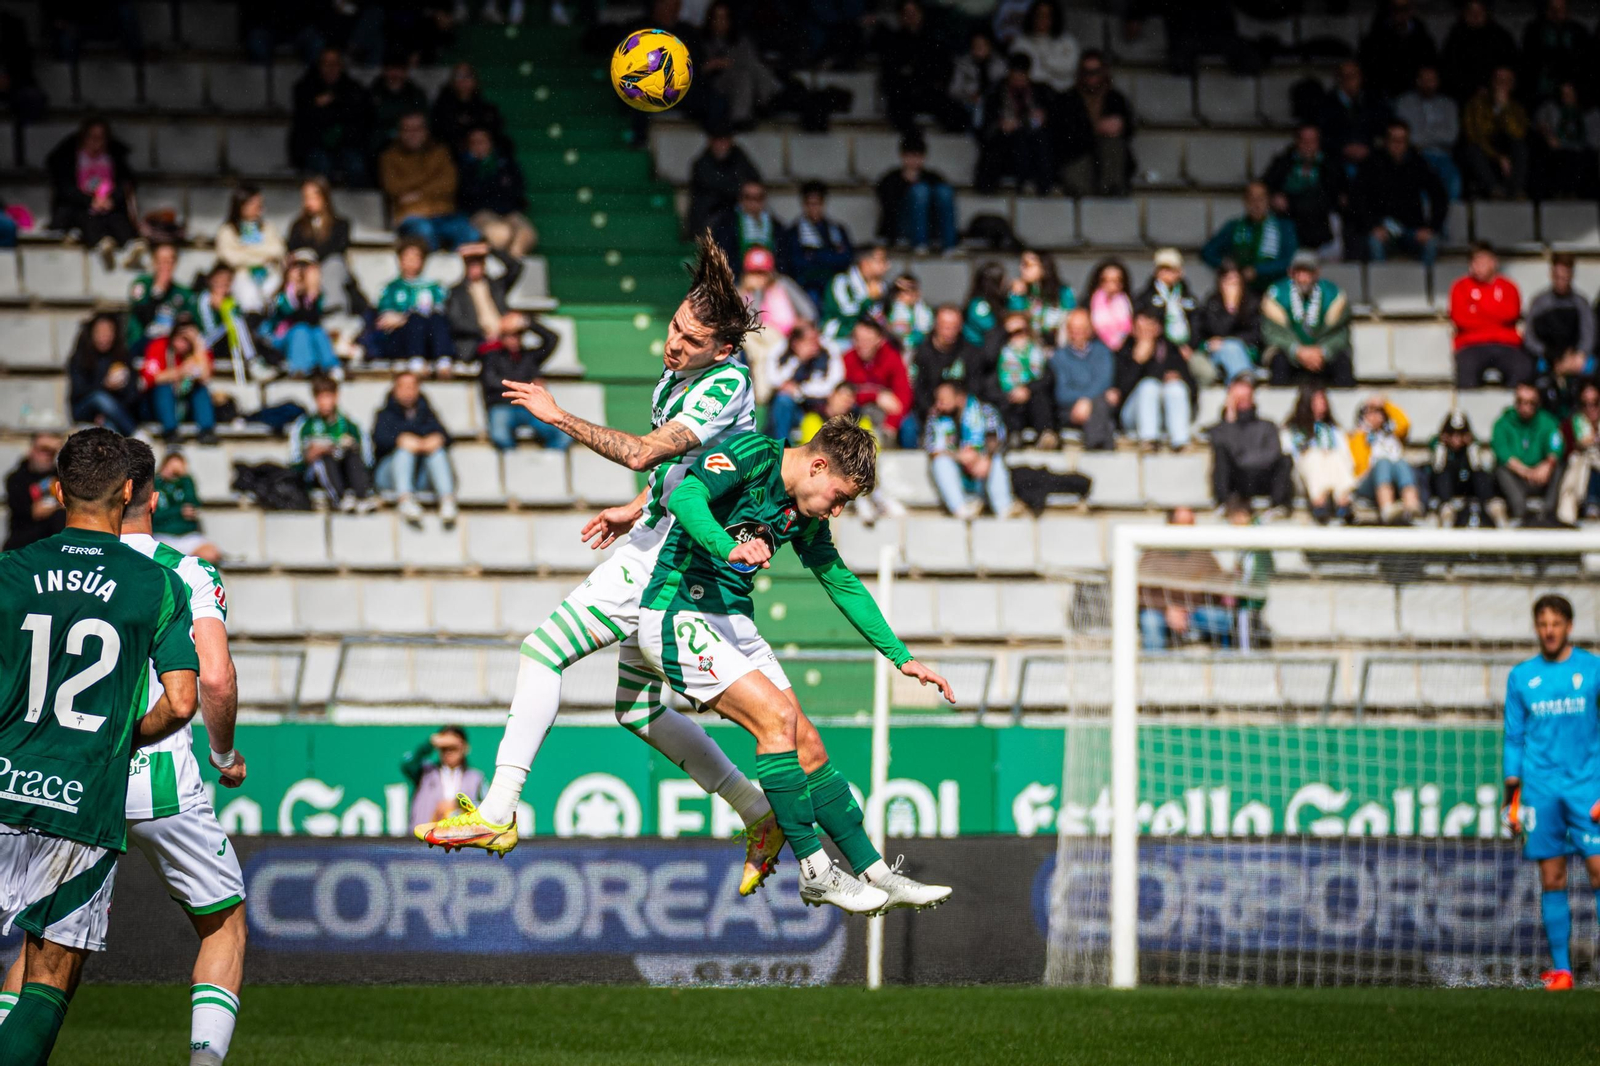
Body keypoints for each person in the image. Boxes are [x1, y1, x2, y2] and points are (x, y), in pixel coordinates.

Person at [422, 239, 951, 915]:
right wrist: (637, 504)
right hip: (671, 542)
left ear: (723, 351)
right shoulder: (681, 381)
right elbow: (685, 473)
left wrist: (561, 417)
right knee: (639, 707)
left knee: (543, 651)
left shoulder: (727, 385)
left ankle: (499, 809)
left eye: (690, 337)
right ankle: (765, 816)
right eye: (674, 327)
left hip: (668, 566)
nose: (673, 343)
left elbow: (651, 454)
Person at [632, 421, 955, 913]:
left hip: (733, 622)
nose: (838, 509)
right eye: (839, 496)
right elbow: (686, 498)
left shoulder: (801, 513)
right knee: (777, 723)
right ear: (818, 466)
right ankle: (815, 871)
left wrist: (901, 657)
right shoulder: (753, 456)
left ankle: (874, 872)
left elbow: (840, 581)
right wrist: (728, 546)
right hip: (677, 611)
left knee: (808, 744)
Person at [0, 428, 201, 1066]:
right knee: (49, 974)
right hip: (82, 802)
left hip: (3, 784)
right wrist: (124, 733)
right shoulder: (157, 586)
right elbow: (183, 700)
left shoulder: (9, 572)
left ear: (57, 492)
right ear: (131, 493)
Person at [1502, 594, 1600, 992]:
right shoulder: (1522, 677)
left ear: (1569, 627)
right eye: (1542, 624)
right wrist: (1512, 798)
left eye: (1556, 623)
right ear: (1536, 628)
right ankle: (1562, 971)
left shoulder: (1593, 669)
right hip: (1541, 790)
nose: (1549, 631)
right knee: (1552, 876)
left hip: (1587, 786)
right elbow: (1513, 738)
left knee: (1598, 871)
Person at [475, 276, 567, 453]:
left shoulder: (529, 356)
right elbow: (490, 381)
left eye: (518, 334)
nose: (514, 338)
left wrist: (527, 321)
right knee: (500, 435)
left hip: (529, 407)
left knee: (563, 435)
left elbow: (552, 338)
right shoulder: (492, 356)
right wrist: (527, 386)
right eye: (509, 334)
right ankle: (514, 469)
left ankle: (545, 466)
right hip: (503, 406)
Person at [1137, 506, 1237, 652]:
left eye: (1191, 523)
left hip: (1196, 612)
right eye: (1182, 523)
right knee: (1150, 621)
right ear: (1171, 525)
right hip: (1161, 612)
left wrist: (1188, 610)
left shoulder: (1204, 554)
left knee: (1224, 619)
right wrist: (1167, 609)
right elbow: (1140, 593)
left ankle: (1228, 667)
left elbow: (1217, 589)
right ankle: (1154, 669)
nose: (1187, 528)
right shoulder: (1153, 553)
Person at [44, 117, 139, 267]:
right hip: (80, 206)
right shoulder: (68, 159)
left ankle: (130, 246)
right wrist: (90, 201)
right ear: (83, 138)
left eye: (101, 138)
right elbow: (64, 189)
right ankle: (102, 244)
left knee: (117, 220)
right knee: (87, 219)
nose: (96, 142)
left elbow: (126, 184)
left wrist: (111, 199)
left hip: (109, 206)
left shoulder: (114, 160)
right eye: (92, 137)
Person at [379, 112, 479, 252]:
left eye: (417, 129)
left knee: (470, 233)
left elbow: (449, 184)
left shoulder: (440, 152)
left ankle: (456, 272)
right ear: (400, 132)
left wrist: (415, 193)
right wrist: (431, 177)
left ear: (426, 131)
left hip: (444, 213)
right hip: (411, 216)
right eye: (407, 129)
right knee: (425, 231)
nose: (413, 134)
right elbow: (393, 188)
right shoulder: (389, 156)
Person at [1352, 121, 1446, 265]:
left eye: (1402, 140)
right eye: (1393, 140)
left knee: (1431, 242)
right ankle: (1380, 285)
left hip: (1413, 230)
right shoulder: (1372, 164)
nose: (1397, 144)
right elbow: (1359, 198)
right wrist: (1372, 226)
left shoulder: (1418, 163)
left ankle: (1426, 285)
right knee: (1374, 242)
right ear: (1386, 141)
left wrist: (1431, 227)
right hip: (1383, 228)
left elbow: (1439, 195)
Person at [1260, 251, 1354, 388]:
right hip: (1290, 355)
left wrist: (1324, 350)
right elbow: (1271, 333)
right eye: (1299, 273)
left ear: (1316, 273)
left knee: (1342, 361)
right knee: (1278, 361)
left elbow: (1341, 334)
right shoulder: (1277, 295)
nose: (1303, 278)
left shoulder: (1333, 295)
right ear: (1290, 273)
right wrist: (1297, 350)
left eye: (1307, 273)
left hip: (1323, 356)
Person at [373, 371, 457, 526]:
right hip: (389, 475)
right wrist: (400, 440)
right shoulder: (384, 414)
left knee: (437, 451)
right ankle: (405, 499)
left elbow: (446, 435)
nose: (408, 391)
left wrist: (433, 440)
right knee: (404, 451)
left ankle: (447, 500)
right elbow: (379, 439)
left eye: (412, 386)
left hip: (420, 475)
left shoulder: (427, 412)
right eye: (403, 387)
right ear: (395, 389)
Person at [925, 378, 1012, 517]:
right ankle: (961, 510)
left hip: (982, 471)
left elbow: (997, 439)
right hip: (958, 471)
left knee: (996, 460)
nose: (939, 404)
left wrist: (984, 458)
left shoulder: (986, 411)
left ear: (959, 398)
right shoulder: (935, 417)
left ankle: (1004, 510)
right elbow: (933, 449)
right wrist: (960, 457)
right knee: (940, 462)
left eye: (943, 400)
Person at [290, 376, 375, 513]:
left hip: (345, 471)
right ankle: (340, 498)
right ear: (315, 399)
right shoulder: (304, 425)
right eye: (321, 398)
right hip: (315, 475)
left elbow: (367, 458)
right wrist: (312, 454)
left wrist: (351, 446)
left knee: (351, 454)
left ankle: (363, 496)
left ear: (336, 396)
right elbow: (295, 462)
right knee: (323, 460)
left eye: (328, 397)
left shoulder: (350, 424)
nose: (325, 403)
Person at [289, 47, 373, 185]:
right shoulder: (305, 88)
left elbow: (358, 116)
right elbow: (305, 119)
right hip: (316, 145)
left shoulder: (354, 88)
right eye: (326, 63)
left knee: (356, 166)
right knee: (321, 166)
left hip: (347, 144)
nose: (330, 68)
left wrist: (332, 103)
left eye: (334, 64)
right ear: (319, 66)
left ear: (341, 66)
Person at [1209, 375, 1292, 515]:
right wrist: (1230, 420)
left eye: (1246, 396)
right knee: (1221, 452)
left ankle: (1278, 506)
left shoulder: (1267, 425)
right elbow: (1222, 448)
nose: (1242, 401)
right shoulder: (1221, 428)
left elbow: (1273, 452)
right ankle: (1224, 503)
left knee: (1285, 460)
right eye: (1237, 398)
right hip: (1238, 481)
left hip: (1262, 475)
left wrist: (1244, 459)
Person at [1451, 242, 1529, 389]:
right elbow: (1460, 319)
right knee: (1466, 371)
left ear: (1494, 262)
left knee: (1523, 368)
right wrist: (1495, 315)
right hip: (1471, 345)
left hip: (1507, 344)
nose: (1478, 265)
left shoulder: (1509, 287)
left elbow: (1511, 313)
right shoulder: (1460, 287)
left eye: (1483, 260)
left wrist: (1477, 309)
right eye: (1475, 261)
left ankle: (1515, 410)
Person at [1055, 50, 1131, 197]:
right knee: (1079, 187)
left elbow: (1129, 129)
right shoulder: (1067, 99)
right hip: (1077, 156)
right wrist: (1096, 129)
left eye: (1095, 71)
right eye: (1086, 72)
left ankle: (1111, 193)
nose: (1091, 77)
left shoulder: (1115, 98)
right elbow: (1064, 135)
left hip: (1107, 157)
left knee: (1112, 145)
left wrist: (1120, 125)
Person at [696, 0, 783, 130]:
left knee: (747, 71)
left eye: (724, 18)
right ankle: (771, 96)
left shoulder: (741, 41)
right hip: (715, 84)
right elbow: (697, 69)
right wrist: (713, 64)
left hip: (743, 81)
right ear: (710, 19)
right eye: (717, 18)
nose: (721, 22)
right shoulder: (700, 40)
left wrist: (732, 64)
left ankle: (749, 111)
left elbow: (751, 63)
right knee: (744, 73)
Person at [977, 52, 1055, 195]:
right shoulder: (995, 93)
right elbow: (984, 129)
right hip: (1005, 147)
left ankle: (1043, 186)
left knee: (1039, 140)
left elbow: (1053, 119)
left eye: (1022, 77)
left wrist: (1043, 117)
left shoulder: (1042, 92)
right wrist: (1000, 125)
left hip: (1033, 145)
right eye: (1015, 77)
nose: (1019, 82)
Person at [374, 238, 455, 375]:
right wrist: (410, 316)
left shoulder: (433, 287)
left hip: (429, 337)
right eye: (407, 256)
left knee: (434, 319)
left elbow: (441, 311)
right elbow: (386, 319)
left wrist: (403, 317)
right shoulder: (391, 288)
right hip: (402, 340)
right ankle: (415, 360)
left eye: (416, 257)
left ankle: (443, 360)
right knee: (416, 319)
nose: (411, 261)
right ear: (400, 260)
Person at [1116, 308, 1193, 451]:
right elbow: (1120, 392)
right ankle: (1149, 440)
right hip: (1133, 415)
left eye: (1150, 327)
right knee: (1149, 386)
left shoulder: (1171, 351)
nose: (1146, 333)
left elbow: (1193, 390)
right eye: (1141, 329)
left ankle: (1180, 441)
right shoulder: (1125, 350)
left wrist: (1179, 379)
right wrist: (1137, 362)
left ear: (1158, 329)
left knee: (1175, 388)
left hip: (1165, 415)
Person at [447, 242, 536, 365]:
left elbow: (515, 267)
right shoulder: (456, 291)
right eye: (472, 264)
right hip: (477, 342)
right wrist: (484, 331)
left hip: (504, 339)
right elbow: (456, 322)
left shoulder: (496, 286)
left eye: (479, 263)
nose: (476, 268)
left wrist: (491, 249)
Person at [1201, 182, 1298, 291]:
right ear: (1245, 201)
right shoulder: (1235, 227)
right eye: (1252, 199)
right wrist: (1224, 262)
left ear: (1268, 200)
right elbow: (1207, 252)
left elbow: (1289, 261)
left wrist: (1257, 270)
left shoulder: (1284, 227)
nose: (1256, 204)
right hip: (1243, 291)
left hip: (1275, 289)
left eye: (1261, 199)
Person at [1263, 125, 1343, 255]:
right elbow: (1267, 185)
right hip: (1289, 217)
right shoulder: (1284, 161)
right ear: (1297, 142)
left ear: (1318, 143)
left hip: (1319, 219)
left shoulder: (1330, 164)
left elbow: (1335, 194)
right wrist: (1274, 196)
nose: (1308, 145)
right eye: (1304, 141)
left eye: (1312, 141)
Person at [1493, 381, 1565, 523]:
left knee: (1559, 466)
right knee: (1500, 469)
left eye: (1531, 403)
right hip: (1517, 477)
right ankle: (1520, 513)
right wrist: (1527, 472)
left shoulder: (1547, 421)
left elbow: (1556, 446)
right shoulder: (1502, 423)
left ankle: (1549, 513)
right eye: (1521, 402)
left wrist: (1547, 465)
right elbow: (1503, 454)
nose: (1526, 407)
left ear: (1537, 403)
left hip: (1542, 477)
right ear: (1515, 402)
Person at [457, 127, 535, 257]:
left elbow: (517, 189)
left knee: (527, 235)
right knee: (501, 235)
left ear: (491, 143)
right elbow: (466, 195)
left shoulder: (505, 163)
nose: (479, 146)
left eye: (483, 142)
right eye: (474, 143)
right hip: (479, 213)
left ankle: (513, 266)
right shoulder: (464, 166)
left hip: (508, 212)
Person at [1282, 386, 1355, 524]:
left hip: (1332, 474)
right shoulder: (1292, 430)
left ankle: (1343, 501)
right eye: (1316, 400)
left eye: (1323, 400)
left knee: (1336, 456)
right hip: (1302, 476)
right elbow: (1289, 456)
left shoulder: (1335, 430)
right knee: (1313, 456)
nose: (1321, 404)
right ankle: (1319, 502)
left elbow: (1347, 456)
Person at [876, 132, 958, 254]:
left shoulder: (933, 178)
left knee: (944, 191)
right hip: (902, 226)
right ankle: (920, 243)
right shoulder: (891, 178)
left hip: (931, 227)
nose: (914, 161)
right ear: (902, 156)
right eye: (910, 156)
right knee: (920, 191)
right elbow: (888, 207)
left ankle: (949, 245)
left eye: (918, 156)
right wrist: (907, 185)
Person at [842, 315, 916, 448]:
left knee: (909, 425)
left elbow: (904, 394)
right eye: (858, 339)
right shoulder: (847, 359)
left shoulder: (892, 357)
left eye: (867, 340)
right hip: (858, 410)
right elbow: (845, 394)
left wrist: (891, 425)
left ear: (879, 339)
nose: (862, 345)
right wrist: (875, 396)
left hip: (887, 412)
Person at [264, 252, 341, 378]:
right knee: (300, 330)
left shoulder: (315, 296)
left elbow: (314, 318)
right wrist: (294, 289)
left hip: (307, 335)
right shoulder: (280, 295)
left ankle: (331, 367)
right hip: (280, 338)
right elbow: (289, 313)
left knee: (318, 332)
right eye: (296, 267)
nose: (301, 273)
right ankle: (301, 368)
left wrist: (312, 292)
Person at [778, 180, 853, 309]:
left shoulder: (837, 230)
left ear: (823, 204)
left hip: (833, 284)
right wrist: (830, 255)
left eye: (817, 204)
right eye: (809, 204)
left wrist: (814, 255)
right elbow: (795, 263)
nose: (813, 208)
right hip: (807, 287)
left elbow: (847, 258)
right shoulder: (793, 233)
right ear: (803, 205)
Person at [141, 321, 217, 445]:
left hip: (184, 403)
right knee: (163, 387)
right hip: (156, 405)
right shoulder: (159, 345)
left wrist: (198, 345)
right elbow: (151, 378)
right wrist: (180, 372)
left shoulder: (199, 351)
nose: (182, 344)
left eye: (187, 340)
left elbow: (205, 377)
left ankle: (206, 430)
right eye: (180, 338)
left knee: (200, 389)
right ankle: (170, 431)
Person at [1393, 66, 1462, 204]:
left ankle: (1445, 221)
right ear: (1417, 81)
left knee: (1454, 181)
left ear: (1438, 81)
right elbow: (1404, 135)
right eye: (1424, 79)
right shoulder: (1404, 102)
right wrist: (1435, 135)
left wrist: (1422, 137)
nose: (1428, 83)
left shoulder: (1448, 104)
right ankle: (1423, 223)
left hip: (1443, 155)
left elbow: (1451, 136)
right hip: (1416, 155)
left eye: (1431, 80)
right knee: (1418, 183)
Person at [214, 185, 286, 315]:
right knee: (248, 293)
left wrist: (246, 251)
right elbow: (230, 257)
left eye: (260, 204)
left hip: (269, 275)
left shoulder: (268, 228)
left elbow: (278, 250)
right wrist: (262, 255)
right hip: (241, 277)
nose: (258, 208)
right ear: (241, 205)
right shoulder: (228, 231)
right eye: (253, 203)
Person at [1050, 308, 1116, 450]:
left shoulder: (1102, 352)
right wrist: (1083, 401)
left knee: (1101, 403)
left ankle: (1096, 445)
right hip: (1071, 410)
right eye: (1073, 329)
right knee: (1102, 404)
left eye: (1081, 329)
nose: (1077, 334)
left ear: (1089, 330)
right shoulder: (1059, 357)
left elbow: (1104, 382)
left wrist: (1086, 400)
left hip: (1096, 405)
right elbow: (1062, 392)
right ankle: (1099, 448)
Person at [1349, 393, 1421, 523]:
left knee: (1400, 462)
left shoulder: (1391, 435)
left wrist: (1385, 404)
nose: (1375, 416)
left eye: (1379, 412)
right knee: (1383, 462)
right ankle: (1387, 507)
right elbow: (1359, 464)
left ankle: (1412, 504)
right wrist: (1365, 432)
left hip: (1393, 480)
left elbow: (1404, 423)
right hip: (1367, 483)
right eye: (1370, 412)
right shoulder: (1358, 437)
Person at [1133, 249, 1203, 383]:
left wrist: (1190, 344)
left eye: (1171, 269)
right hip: (1158, 356)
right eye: (1163, 269)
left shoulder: (1188, 298)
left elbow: (1197, 323)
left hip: (1186, 354)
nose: (1167, 274)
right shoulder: (1145, 297)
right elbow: (1147, 325)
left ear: (1180, 271)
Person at [286, 177, 355, 312]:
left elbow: (338, 248)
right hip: (304, 269)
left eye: (313, 197)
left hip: (328, 267)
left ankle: (332, 310)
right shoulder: (298, 226)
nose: (309, 202)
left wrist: (314, 262)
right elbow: (293, 250)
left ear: (324, 197)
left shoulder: (340, 224)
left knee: (334, 265)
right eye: (306, 197)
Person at [990, 309, 1055, 449]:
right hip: (1008, 399)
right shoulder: (998, 354)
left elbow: (1047, 378)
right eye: (1011, 333)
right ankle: (1013, 435)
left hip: (1031, 398)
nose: (1017, 336)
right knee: (1006, 403)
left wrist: (1027, 389)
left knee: (1040, 398)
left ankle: (1046, 435)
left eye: (1020, 331)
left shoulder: (1038, 352)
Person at [1462, 66, 1530, 200]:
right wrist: (1498, 157)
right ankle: (1494, 190)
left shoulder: (1516, 108)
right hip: (1486, 150)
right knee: (1472, 150)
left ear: (1512, 85)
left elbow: (1518, 134)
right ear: (1491, 82)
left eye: (1506, 81)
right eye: (1498, 80)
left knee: (1520, 147)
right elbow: (1475, 135)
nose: (1501, 85)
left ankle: (1516, 191)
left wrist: (1504, 108)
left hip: (1507, 150)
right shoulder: (1477, 104)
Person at [766, 321, 841, 443]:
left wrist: (801, 390)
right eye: (810, 340)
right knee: (783, 400)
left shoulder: (828, 349)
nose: (816, 343)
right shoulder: (781, 349)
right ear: (796, 343)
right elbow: (774, 380)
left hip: (818, 407)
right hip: (792, 408)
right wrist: (798, 360)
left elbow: (834, 383)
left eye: (816, 337)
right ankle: (782, 448)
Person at [1318, 59, 1391, 181]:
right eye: (1345, 76)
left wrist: (1370, 148)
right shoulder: (1326, 103)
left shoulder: (1374, 101)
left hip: (1372, 157)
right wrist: (1343, 148)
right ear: (1338, 78)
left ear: (1361, 77)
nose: (1350, 80)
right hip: (1338, 159)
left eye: (1353, 75)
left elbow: (1383, 130)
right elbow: (1323, 135)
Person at [67, 313, 139, 435]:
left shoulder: (123, 357)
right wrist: (104, 385)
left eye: (108, 332)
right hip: (84, 409)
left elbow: (133, 393)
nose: (104, 337)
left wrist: (121, 386)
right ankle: (136, 433)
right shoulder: (79, 359)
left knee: (109, 425)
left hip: (114, 411)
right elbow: (79, 391)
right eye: (99, 332)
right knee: (100, 399)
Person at [1426, 410, 1498, 526]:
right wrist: (1442, 445)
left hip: (1466, 485)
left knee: (1480, 475)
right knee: (1443, 475)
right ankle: (1446, 509)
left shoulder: (1471, 447)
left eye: (1460, 434)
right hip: (1446, 490)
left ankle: (1490, 505)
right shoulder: (1440, 446)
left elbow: (1477, 466)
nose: (1456, 438)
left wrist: (1471, 446)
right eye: (1452, 434)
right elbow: (1437, 467)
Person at [401, 726, 484, 828]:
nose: (448, 751)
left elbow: (486, 808)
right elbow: (407, 764)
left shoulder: (475, 778)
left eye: (453, 748)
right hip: (423, 838)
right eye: (444, 748)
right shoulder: (426, 772)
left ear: (464, 747)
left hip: (461, 838)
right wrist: (430, 743)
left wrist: (457, 804)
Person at [686, 128, 760, 240]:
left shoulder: (739, 158)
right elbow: (713, 187)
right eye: (718, 141)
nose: (721, 145)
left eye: (724, 140)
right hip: (710, 214)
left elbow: (754, 180)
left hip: (736, 213)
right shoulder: (702, 163)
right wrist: (733, 189)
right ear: (711, 142)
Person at [1526, 254, 1595, 372]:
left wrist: (1579, 354)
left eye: (1564, 277)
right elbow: (1530, 337)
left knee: (1591, 368)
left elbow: (1588, 335)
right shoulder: (1540, 303)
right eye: (1558, 276)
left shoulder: (1581, 303)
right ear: (1551, 274)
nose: (1561, 281)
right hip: (1547, 357)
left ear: (1571, 276)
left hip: (1575, 358)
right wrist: (1549, 354)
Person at [1440, 0, 1518, 104]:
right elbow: (1449, 72)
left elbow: (1510, 67)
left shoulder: (1501, 37)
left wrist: (1493, 89)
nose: (1476, 16)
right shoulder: (1455, 39)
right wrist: (1472, 90)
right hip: (1464, 98)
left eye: (1480, 11)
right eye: (1471, 11)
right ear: (1464, 13)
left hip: (1499, 96)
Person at [128, 241, 197, 358]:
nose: (165, 267)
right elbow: (143, 316)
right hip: (143, 341)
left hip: (171, 346)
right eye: (161, 261)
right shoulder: (142, 284)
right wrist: (158, 291)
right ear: (154, 263)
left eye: (169, 262)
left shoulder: (183, 292)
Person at [1533, 80, 1600, 201]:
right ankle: (1558, 194)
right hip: (1558, 150)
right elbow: (1539, 123)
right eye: (1563, 93)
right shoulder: (1551, 108)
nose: (1566, 97)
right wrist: (1547, 134)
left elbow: (1594, 139)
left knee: (1581, 158)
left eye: (1570, 93)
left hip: (1582, 152)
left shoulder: (1590, 112)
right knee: (1559, 158)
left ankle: (1575, 194)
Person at [150, 450, 221, 564]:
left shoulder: (186, 483)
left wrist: (185, 479)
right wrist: (178, 511)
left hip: (188, 536)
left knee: (211, 554)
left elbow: (193, 503)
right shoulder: (154, 485)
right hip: (163, 535)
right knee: (164, 557)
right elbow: (154, 514)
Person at [909, 305, 975, 427]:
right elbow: (917, 387)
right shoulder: (922, 352)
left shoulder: (969, 351)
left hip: (962, 412)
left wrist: (959, 399)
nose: (949, 332)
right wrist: (932, 406)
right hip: (929, 412)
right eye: (945, 327)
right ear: (936, 325)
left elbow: (975, 383)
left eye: (954, 327)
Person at [1197, 263, 1262, 386]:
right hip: (1218, 353)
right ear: (1220, 283)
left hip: (1247, 351)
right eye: (1227, 281)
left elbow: (1256, 334)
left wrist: (1229, 341)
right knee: (1228, 348)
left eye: (1236, 282)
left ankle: (1240, 384)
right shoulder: (1212, 303)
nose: (1232, 286)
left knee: (1232, 346)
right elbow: (1216, 330)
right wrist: (1230, 309)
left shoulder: (1252, 303)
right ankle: (1244, 383)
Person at [1358, 0, 1438, 101]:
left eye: (1404, 8)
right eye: (1396, 9)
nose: (1400, 13)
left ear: (1411, 10)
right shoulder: (1376, 37)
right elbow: (1371, 71)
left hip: (1416, 95)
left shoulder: (1422, 37)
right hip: (1384, 95)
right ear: (1389, 10)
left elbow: (1430, 67)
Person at [820, 244, 889, 352]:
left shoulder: (881, 285)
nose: (887, 266)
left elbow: (878, 316)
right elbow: (847, 315)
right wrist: (869, 298)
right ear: (865, 263)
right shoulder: (841, 281)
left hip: (867, 340)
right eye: (881, 261)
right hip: (838, 337)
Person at [2, 433, 65, 551]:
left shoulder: (60, 477)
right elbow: (36, 511)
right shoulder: (17, 479)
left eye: (52, 451)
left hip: (52, 538)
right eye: (43, 450)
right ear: (31, 450)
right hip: (24, 540)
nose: (48, 455)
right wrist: (58, 506)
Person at [196, 264, 261, 377]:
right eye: (218, 283)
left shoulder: (230, 302)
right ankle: (251, 359)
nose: (222, 289)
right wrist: (223, 310)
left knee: (238, 319)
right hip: (205, 343)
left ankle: (253, 359)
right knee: (236, 320)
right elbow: (207, 330)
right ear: (211, 282)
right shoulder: (202, 300)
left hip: (225, 342)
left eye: (226, 284)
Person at [1521, 0, 1589, 106]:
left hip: (1574, 93)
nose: (1557, 13)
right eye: (1552, 8)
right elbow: (1530, 64)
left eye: (1561, 8)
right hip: (1544, 94)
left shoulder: (1579, 32)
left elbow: (1585, 64)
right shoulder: (1534, 31)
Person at [429, 62, 504, 154]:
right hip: (452, 156)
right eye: (459, 76)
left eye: (468, 75)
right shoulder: (441, 108)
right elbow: (439, 135)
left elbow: (496, 134)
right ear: (452, 81)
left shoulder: (487, 109)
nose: (463, 80)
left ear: (475, 80)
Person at [1008, 0, 1078, 94]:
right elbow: (1024, 74)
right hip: (1033, 95)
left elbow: (1069, 68)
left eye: (1048, 15)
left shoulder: (1067, 41)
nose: (1043, 19)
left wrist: (1047, 63)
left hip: (1064, 93)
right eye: (1039, 15)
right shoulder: (1020, 42)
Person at [1008, 248, 1074, 345]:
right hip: (1029, 349)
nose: (1021, 268)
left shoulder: (1063, 292)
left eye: (1027, 264)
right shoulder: (1019, 293)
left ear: (1043, 267)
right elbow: (1014, 319)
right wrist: (1015, 296)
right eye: (1021, 264)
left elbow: (1071, 317)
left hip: (1059, 346)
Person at [710, 180, 779, 269]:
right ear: (740, 199)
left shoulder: (776, 226)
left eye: (758, 197)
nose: (753, 202)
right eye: (748, 197)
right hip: (738, 278)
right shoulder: (727, 225)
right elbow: (723, 255)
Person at [1557, 383, 1600, 523]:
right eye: (1585, 404)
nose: (1590, 408)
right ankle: (1589, 507)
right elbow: (1563, 452)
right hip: (1580, 475)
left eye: (1595, 403)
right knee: (1584, 463)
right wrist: (1581, 445)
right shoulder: (1570, 425)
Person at [949, 27, 1006, 132]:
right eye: (975, 45)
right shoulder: (962, 64)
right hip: (968, 104)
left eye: (982, 45)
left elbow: (1003, 89)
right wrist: (969, 96)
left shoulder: (1000, 64)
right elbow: (954, 90)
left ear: (990, 46)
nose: (979, 48)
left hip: (993, 105)